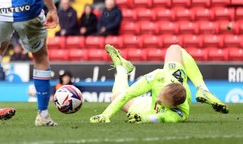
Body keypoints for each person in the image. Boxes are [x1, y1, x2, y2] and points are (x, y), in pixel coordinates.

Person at [90, 44, 229, 124]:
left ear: (173, 106)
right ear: (165, 87)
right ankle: (203, 89)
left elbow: (161, 117)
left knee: (116, 97)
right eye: (159, 95)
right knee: (174, 48)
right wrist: (106, 114)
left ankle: (121, 68)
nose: (157, 99)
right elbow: (129, 93)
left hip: (148, 109)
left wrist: (144, 118)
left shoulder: (180, 113)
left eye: (161, 101)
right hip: (163, 85)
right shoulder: (162, 76)